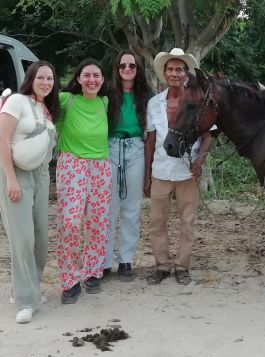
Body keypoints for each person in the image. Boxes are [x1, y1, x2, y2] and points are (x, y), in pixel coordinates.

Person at [0, 61, 59, 324]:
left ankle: (27, 288)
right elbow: (2, 139)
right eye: (41, 77)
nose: (46, 82)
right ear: (31, 78)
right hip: (17, 173)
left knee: (40, 238)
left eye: (50, 79)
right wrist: (11, 178)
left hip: (40, 175)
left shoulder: (45, 110)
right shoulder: (17, 102)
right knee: (22, 238)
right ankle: (25, 300)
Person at [144, 48, 213, 285]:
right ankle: (162, 265)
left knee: (187, 221)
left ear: (186, 74)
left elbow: (208, 135)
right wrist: (147, 175)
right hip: (161, 171)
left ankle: (183, 266)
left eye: (179, 69)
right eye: (170, 69)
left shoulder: (196, 100)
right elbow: (151, 140)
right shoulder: (154, 103)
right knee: (157, 221)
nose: (175, 74)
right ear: (164, 73)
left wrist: (200, 160)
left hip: (187, 172)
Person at [55, 59, 112, 304]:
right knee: (70, 222)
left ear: (102, 79)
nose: (92, 80)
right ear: (78, 78)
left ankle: (91, 272)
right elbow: (37, 99)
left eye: (96, 75)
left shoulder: (105, 101)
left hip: (101, 165)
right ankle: (69, 280)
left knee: (98, 222)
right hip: (72, 164)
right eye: (87, 75)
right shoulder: (66, 99)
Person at [104, 51, 152, 282]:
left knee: (131, 209)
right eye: (122, 65)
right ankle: (103, 261)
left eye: (131, 65)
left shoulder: (145, 96)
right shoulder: (107, 94)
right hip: (111, 148)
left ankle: (125, 260)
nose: (127, 69)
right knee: (109, 208)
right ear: (117, 68)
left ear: (137, 69)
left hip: (135, 149)